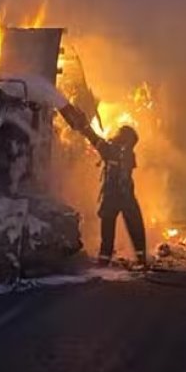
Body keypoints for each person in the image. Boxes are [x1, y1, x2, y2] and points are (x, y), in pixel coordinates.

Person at [58, 105, 146, 267]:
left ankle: (104, 261)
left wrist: (84, 125)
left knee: (108, 229)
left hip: (113, 195)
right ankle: (140, 259)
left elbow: (93, 138)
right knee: (134, 225)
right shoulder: (128, 154)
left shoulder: (111, 150)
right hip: (126, 196)